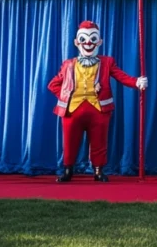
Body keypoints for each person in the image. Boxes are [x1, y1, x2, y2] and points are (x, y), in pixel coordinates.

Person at [48, 21, 148, 183]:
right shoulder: (68, 64)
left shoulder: (107, 62)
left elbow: (121, 76)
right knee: (70, 141)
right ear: (76, 42)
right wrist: (66, 95)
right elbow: (53, 85)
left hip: (99, 109)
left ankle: (98, 171)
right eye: (83, 39)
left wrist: (136, 82)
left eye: (92, 39)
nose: (88, 43)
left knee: (99, 141)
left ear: (99, 42)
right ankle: (68, 170)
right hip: (72, 111)